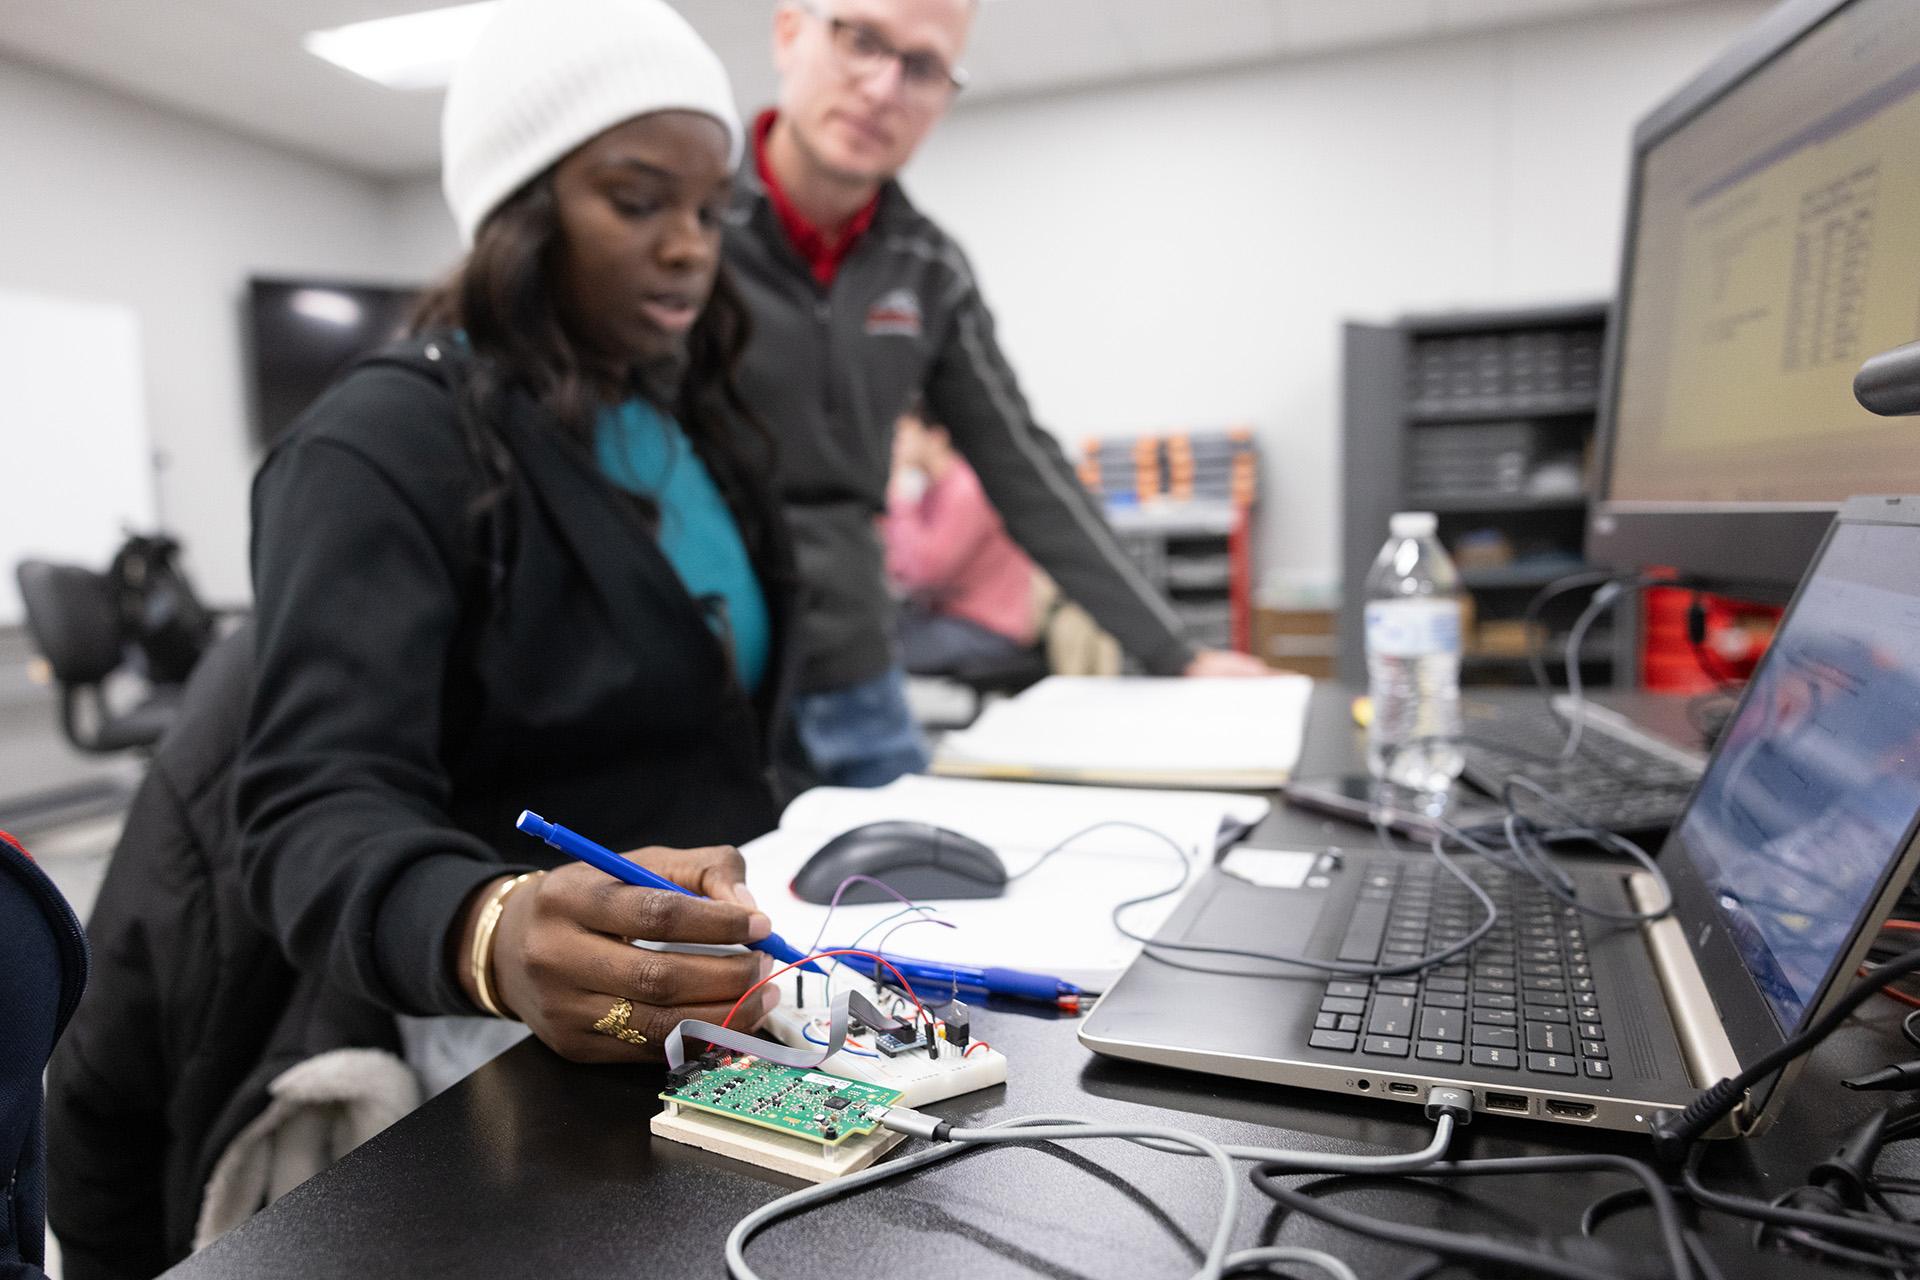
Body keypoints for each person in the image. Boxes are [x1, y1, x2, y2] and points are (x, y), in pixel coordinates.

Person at [240, 0, 792, 1083]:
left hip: (734, 997)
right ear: (522, 208)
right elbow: (307, 808)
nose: (689, 247)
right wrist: (490, 929)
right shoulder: (381, 444)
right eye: (639, 201)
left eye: (709, 209)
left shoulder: (694, 423)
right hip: (527, 1043)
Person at [725, 0, 1271, 788]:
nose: (883, 88)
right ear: (787, 32)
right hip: (700, 672)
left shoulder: (927, 269)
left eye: (923, 67)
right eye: (861, 40)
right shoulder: (690, 222)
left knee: (915, 892)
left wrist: (1176, 653)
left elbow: (1021, 462)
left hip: (851, 671)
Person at [884, 405, 1038, 674]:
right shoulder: (934, 490)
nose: (893, 446)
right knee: (858, 638)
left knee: (872, 654)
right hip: (946, 619)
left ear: (936, 437)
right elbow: (898, 564)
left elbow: (924, 571)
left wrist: (897, 495)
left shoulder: (965, 488)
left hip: (984, 629)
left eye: (903, 436)